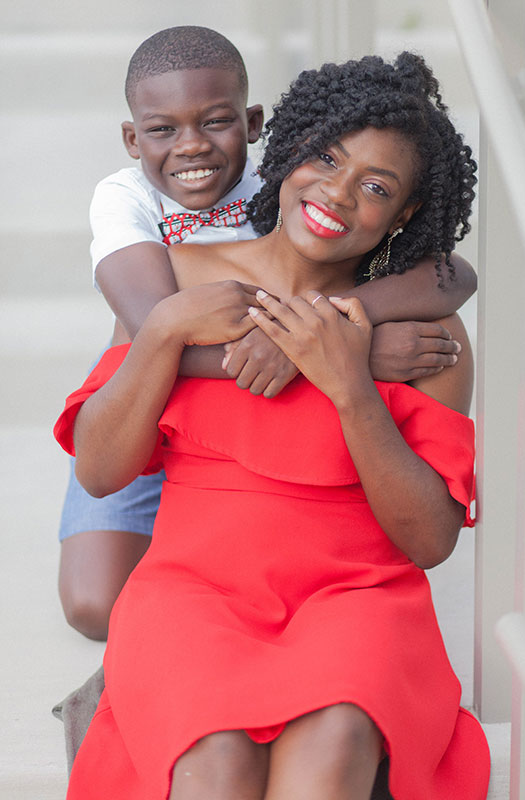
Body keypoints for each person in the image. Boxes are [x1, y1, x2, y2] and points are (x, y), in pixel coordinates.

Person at [55, 51, 490, 799]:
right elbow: (100, 470)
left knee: (338, 735)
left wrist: (349, 381)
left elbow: (430, 540)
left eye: (376, 187)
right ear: (287, 150)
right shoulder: (176, 280)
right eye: (326, 157)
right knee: (213, 759)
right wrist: (161, 334)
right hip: (193, 589)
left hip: (357, 594)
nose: (337, 192)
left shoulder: (429, 336)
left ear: (406, 215)